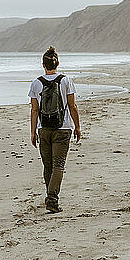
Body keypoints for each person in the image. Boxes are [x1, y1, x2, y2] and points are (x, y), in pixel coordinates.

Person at [28, 46, 81, 213]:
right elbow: (72, 106)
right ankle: (52, 199)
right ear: (58, 63)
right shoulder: (66, 81)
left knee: (48, 165)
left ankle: (50, 196)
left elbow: (34, 110)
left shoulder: (36, 83)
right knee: (58, 165)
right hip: (63, 128)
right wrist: (77, 126)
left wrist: (33, 131)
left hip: (43, 129)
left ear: (43, 65)